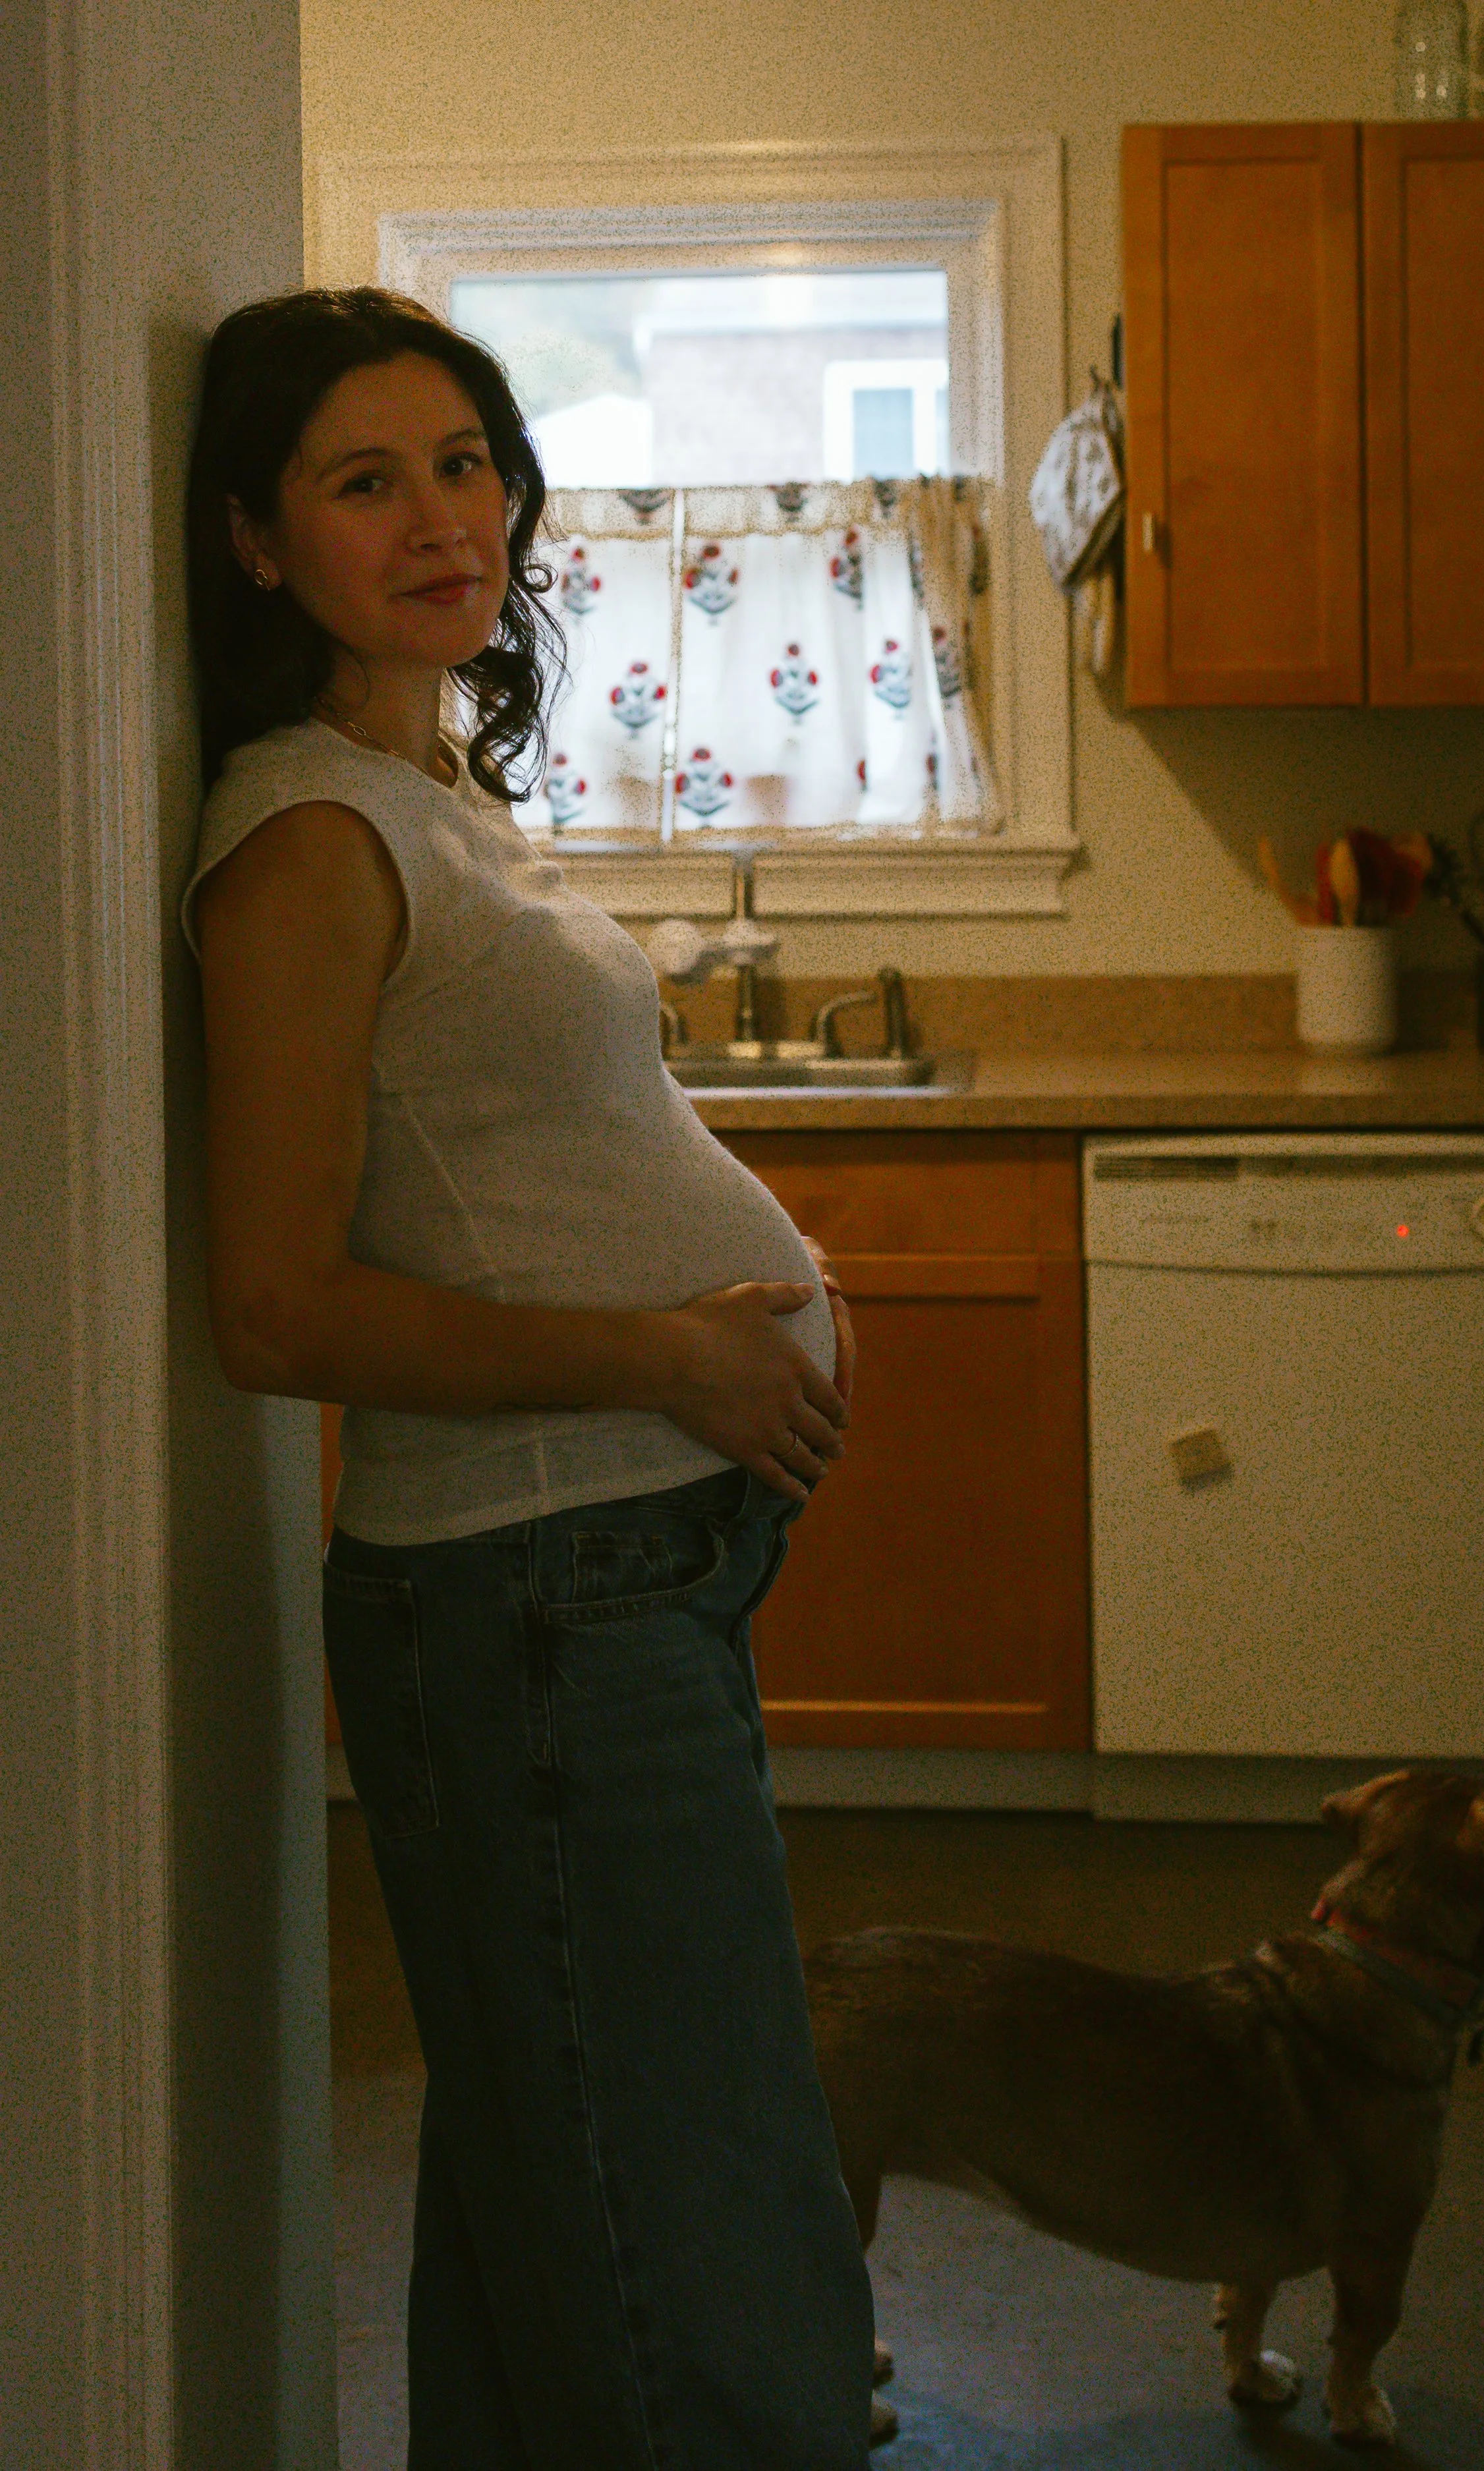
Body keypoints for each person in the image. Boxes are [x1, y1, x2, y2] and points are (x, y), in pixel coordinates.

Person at [183, 286, 876, 2470]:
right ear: (251, 543)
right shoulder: (305, 838)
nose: (439, 515)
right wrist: (665, 1350)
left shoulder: (434, 788)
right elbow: (277, 1307)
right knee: (699, 2218)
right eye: (362, 479)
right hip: (527, 1599)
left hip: (607, 1580)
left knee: (558, 2186)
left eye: (465, 461)